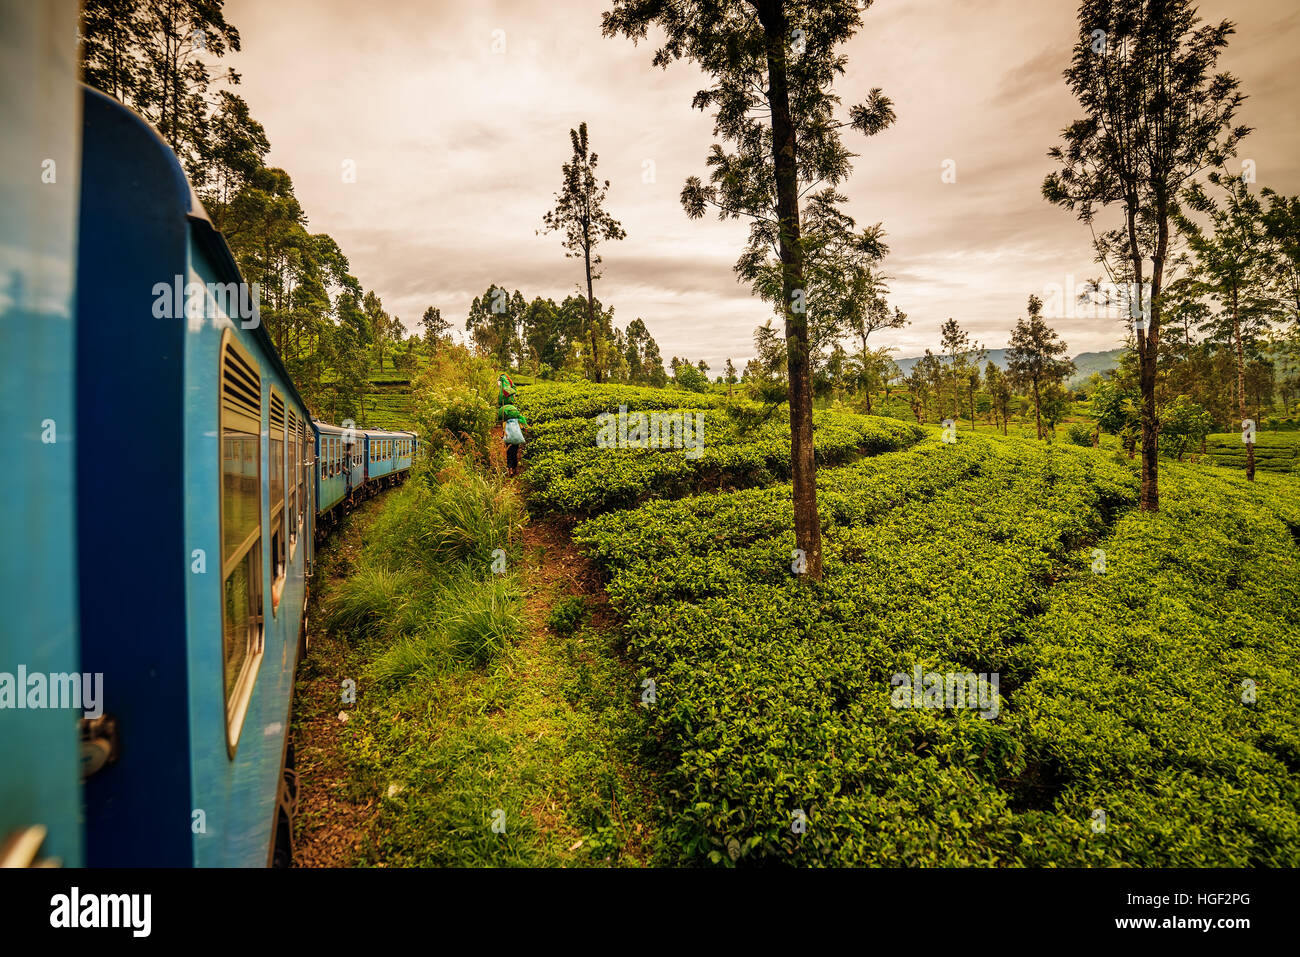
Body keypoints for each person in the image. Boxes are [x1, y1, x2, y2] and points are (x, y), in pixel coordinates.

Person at [503, 409, 527, 475]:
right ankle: (514, 468)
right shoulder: (517, 421)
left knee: (509, 454)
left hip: (508, 440)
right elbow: (522, 428)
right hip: (516, 440)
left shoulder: (505, 422)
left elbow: (504, 431)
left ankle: (509, 468)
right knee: (514, 453)